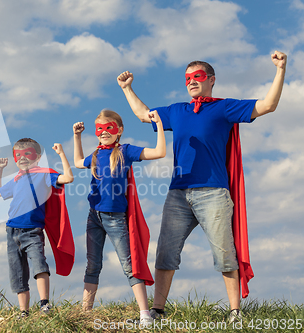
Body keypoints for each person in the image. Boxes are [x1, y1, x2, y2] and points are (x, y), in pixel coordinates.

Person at [117, 51, 287, 323]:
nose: (191, 82)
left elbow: (268, 105)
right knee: (166, 253)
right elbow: (141, 115)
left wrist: (280, 69)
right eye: (187, 78)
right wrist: (127, 88)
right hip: (178, 194)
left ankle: (235, 314)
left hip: (214, 193)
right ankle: (157, 312)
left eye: (197, 76)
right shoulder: (176, 111)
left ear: (211, 80)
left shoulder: (224, 108)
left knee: (224, 253)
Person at [73, 109, 166, 326]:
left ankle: (145, 315)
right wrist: (77, 136)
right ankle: (85, 313)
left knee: (129, 264)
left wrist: (160, 125)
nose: (104, 132)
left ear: (119, 130)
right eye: (100, 129)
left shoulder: (126, 151)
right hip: (93, 216)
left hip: (115, 218)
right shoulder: (95, 154)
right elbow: (78, 162)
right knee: (92, 265)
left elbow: (160, 152)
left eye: (109, 128)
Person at [0, 138, 75, 318]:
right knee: (18, 273)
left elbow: (68, 178)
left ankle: (44, 304)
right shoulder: (16, 179)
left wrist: (61, 154)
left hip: (32, 231)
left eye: (27, 153)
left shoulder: (44, 174)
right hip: (11, 230)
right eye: (18, 155)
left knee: (39, 265)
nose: (22, 158)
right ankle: (24, 312)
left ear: (37, 157)